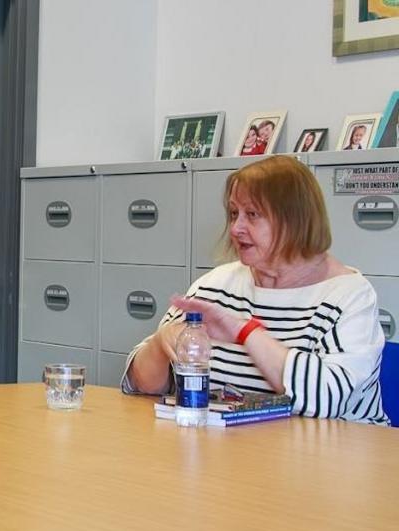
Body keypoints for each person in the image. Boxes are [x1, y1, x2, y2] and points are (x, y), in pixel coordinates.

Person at [122, 156, 386, 424]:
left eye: (252, 215)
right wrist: (159, 343)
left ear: (294, 220)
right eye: (234, 213)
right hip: (232, 456)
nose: (235, 228)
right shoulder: (215, 286)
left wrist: (245, 332)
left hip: (333, 458)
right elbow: (141, 385)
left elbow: (328, 398)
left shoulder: (350, 296)